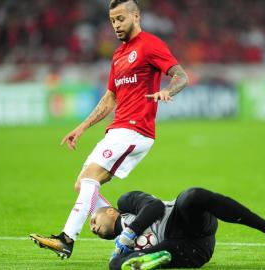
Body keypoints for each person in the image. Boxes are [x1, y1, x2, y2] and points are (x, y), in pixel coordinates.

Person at [30, 0, 188, 259]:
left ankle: (67, 238)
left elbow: (181, 75)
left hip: (136, 130)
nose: (115, 25)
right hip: (116, 130)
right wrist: (82, 126)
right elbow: (110, 98)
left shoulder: (150, 45)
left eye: (120, 19)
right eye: (112, 20)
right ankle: (130, 225)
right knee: (82, 183)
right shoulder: (118, 55)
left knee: (91, 175)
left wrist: (167, 91)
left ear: (136, 16)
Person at [89, 188, 265, 270]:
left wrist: (130, 233)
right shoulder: (120, 248)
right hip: (189, 250)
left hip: (183, 221)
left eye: (92, 221)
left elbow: (155, 207)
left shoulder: (126, 202)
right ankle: (153, 259)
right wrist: (122, 253)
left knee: (191, 196)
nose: (92, 229)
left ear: (109, 211)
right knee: (114, 264)